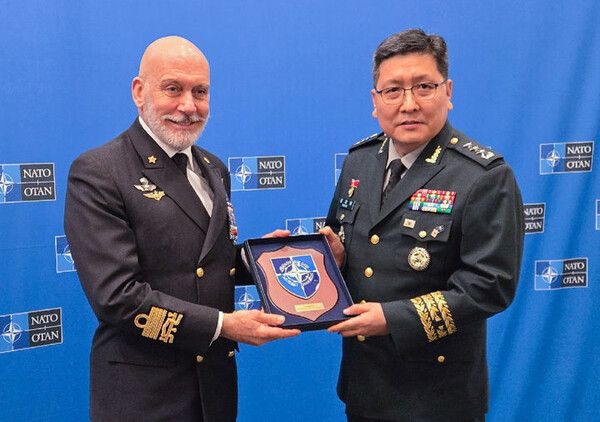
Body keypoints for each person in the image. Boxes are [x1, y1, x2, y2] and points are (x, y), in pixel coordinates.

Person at [64, 36, 299, 422]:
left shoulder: (213, 167)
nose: (188, 106)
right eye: (173, 89)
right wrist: (223, 325)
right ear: (139, 92)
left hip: (214, 389)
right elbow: (118, 298)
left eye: (200, 92)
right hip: (143, 395)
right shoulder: (100, 172)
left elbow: (203, 262)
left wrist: (261, 261)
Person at [322, 29, 524, 421]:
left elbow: (489, 286)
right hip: (365, 386)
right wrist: (337, 259)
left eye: (424, 87)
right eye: (393, 91)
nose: (409, 104)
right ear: (375, 101)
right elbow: (355, 252)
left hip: (437, 396)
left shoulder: (483, 176)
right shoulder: (359, 161)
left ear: (448, 91)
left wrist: (393, 319)